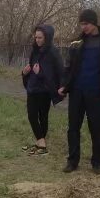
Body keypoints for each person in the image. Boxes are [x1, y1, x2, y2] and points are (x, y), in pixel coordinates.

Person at [58, 9, 100, 174]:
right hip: (77, 92)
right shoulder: (76, 44)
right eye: (81, 24)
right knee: (73, 128)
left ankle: (97, 162)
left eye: (86, 24)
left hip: (96, 93)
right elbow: (67, 67)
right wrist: (64, 85)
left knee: (96, 128)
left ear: (94, 23)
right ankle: (72, 161)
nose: (83, 27)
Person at [21, 24, 64, 155]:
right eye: (36, 38)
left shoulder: (53, 52)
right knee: (32, 115)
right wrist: (24, 72)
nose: (37, 40)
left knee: (43, 117)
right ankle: (41, 142)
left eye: (40, 38)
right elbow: (31, 68)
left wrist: (41, 73)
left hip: (45, 90)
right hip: (32, 88)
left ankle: (40, 145)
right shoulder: (34, 51)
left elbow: (58, 72)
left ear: (47, 37)